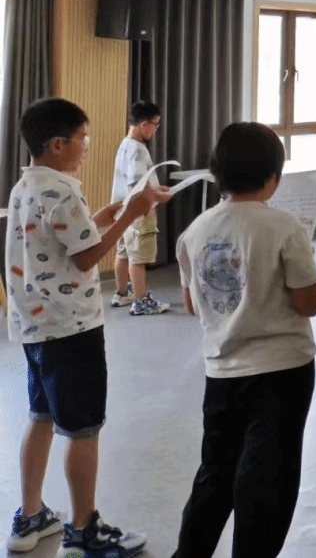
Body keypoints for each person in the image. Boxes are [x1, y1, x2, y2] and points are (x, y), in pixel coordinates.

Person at [6, 97, 162, 558]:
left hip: (37, 328)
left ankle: (30, 515)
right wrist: (131, 214)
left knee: (41, 417)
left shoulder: (25, 186)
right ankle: (83, 530)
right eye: (82, 139)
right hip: (71, 328)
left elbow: (55, 244)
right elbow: (86, 258)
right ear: (58, 144)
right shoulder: (62, 189)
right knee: (83, 429)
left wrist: (102, 218)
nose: (86, 147)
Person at [172, 122, 316, 558]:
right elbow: (309, 302)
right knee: (268, 479)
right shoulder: (285, 227)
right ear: (273, 177)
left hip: (221, 372)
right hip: (283, 372)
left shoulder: (195, 231)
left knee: (215, 472)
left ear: (218, 173)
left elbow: (192, 304)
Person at [108, 99, 173, 316]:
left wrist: (157, 187)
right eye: (155, 124)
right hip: (139, 213)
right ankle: (141, 301)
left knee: (123, 253)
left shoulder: (125, 144)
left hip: (122, 211)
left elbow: (137, 180)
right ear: (144, 124)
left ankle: (121, 293)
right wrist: (158, 196)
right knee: (138, 258)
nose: (156, 130)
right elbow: (137, 184)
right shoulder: (138, 149)